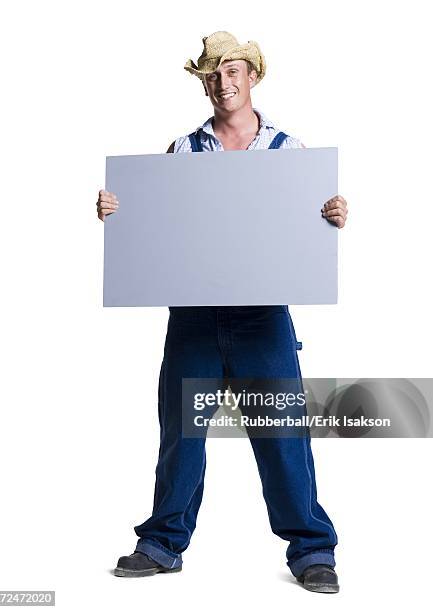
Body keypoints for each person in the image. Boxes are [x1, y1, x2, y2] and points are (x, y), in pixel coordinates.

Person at [96, 31, 348, 593]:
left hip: (263, 318)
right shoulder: (183, 151)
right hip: (194, 317)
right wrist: (119, 211)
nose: (222, 81)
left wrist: (328, 215)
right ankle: (161, 544)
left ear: (251, 76)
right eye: (211, 73)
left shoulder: (289, 151)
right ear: (204, 83)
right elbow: (156, 229)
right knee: (180, 437)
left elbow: (305, 230)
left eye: (231, 70)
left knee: (283, 434)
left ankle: (311, 551)